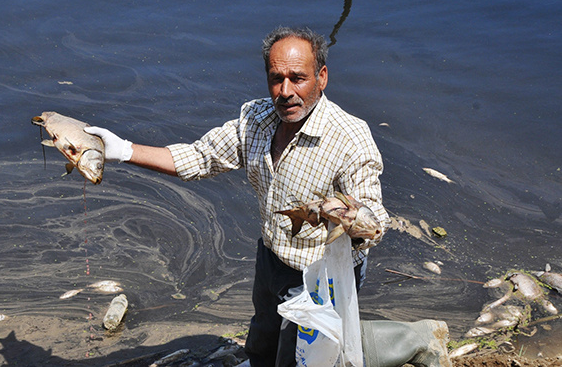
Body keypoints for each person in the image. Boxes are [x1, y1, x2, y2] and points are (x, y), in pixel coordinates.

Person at [86, 26, 390, 366]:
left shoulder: (350, 138)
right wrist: (123, 150)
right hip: (272, 257)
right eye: (276, 78)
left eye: (298, 78)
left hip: (320, 275)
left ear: (322, 77)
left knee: (302, 358)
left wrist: (351, 218)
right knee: (261, 340)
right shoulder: (256, 119)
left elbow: (374, 221)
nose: (286, 91)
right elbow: (200, 157)